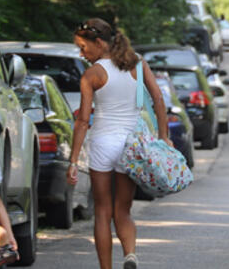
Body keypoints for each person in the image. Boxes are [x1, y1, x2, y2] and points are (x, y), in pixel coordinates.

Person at [66, 18, 172, 269]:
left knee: (103, 211)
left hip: (103, 143)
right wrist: (163, 136)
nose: (81, 53)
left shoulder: (92, 74)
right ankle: (130, 254)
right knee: (123, 210)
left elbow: (82, 121)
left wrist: (73, 160)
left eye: (83, 47)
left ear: (99, 43)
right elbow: (157, 97)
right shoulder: (136, 63)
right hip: (131, 145)